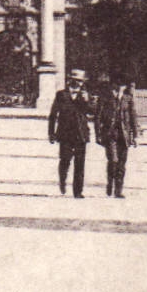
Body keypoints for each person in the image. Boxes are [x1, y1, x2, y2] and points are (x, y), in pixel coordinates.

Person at [48, 68, 93, 198]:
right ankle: (62, 181)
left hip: (81, 134)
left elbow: (92, 112)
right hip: (65, 134)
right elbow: (53, 115)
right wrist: (51, 133)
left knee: (80, 164)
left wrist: (86, 102)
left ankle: (78, 192)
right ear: (70, 81)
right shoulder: (61, 95)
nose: (78, 84)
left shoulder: (85, 95)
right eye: (76, 81)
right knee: (65, 161)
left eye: (81, 81)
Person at [96, 77, 138, 198]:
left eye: (121, 87)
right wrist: (98, 134)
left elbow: (133, 117)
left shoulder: (128, 99)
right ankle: (110, 182)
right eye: (117, 87)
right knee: (113, 161)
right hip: (110, 134)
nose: (119, 89)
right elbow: (98, 117)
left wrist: (135, 136)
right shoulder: (105, 97)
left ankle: (118, 190)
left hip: (124, 135)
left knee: (121, 164)